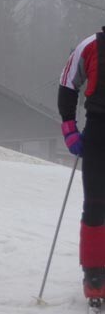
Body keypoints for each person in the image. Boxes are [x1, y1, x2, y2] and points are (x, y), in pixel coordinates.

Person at [58, 28, 105, 300]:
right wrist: (69, 126)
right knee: (96, 203)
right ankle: (95, 273)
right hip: (99, 132)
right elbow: (67, 83)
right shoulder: (90, 45)